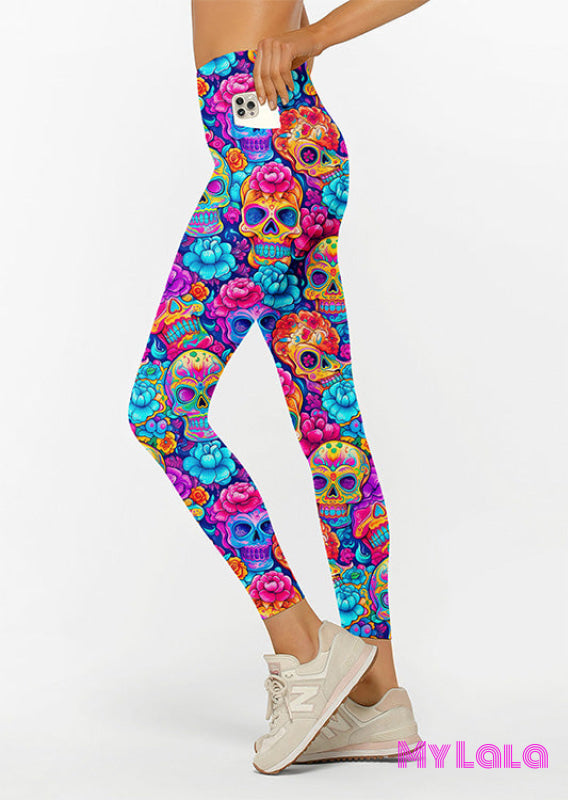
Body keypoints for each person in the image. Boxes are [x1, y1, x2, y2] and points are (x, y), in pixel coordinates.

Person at [128, 0, 430, 774]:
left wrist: (312, 36)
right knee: (331, 431)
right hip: (283, 142)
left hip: (268, 157)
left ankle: (304, 649)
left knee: (162, 413)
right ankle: (378, 699)